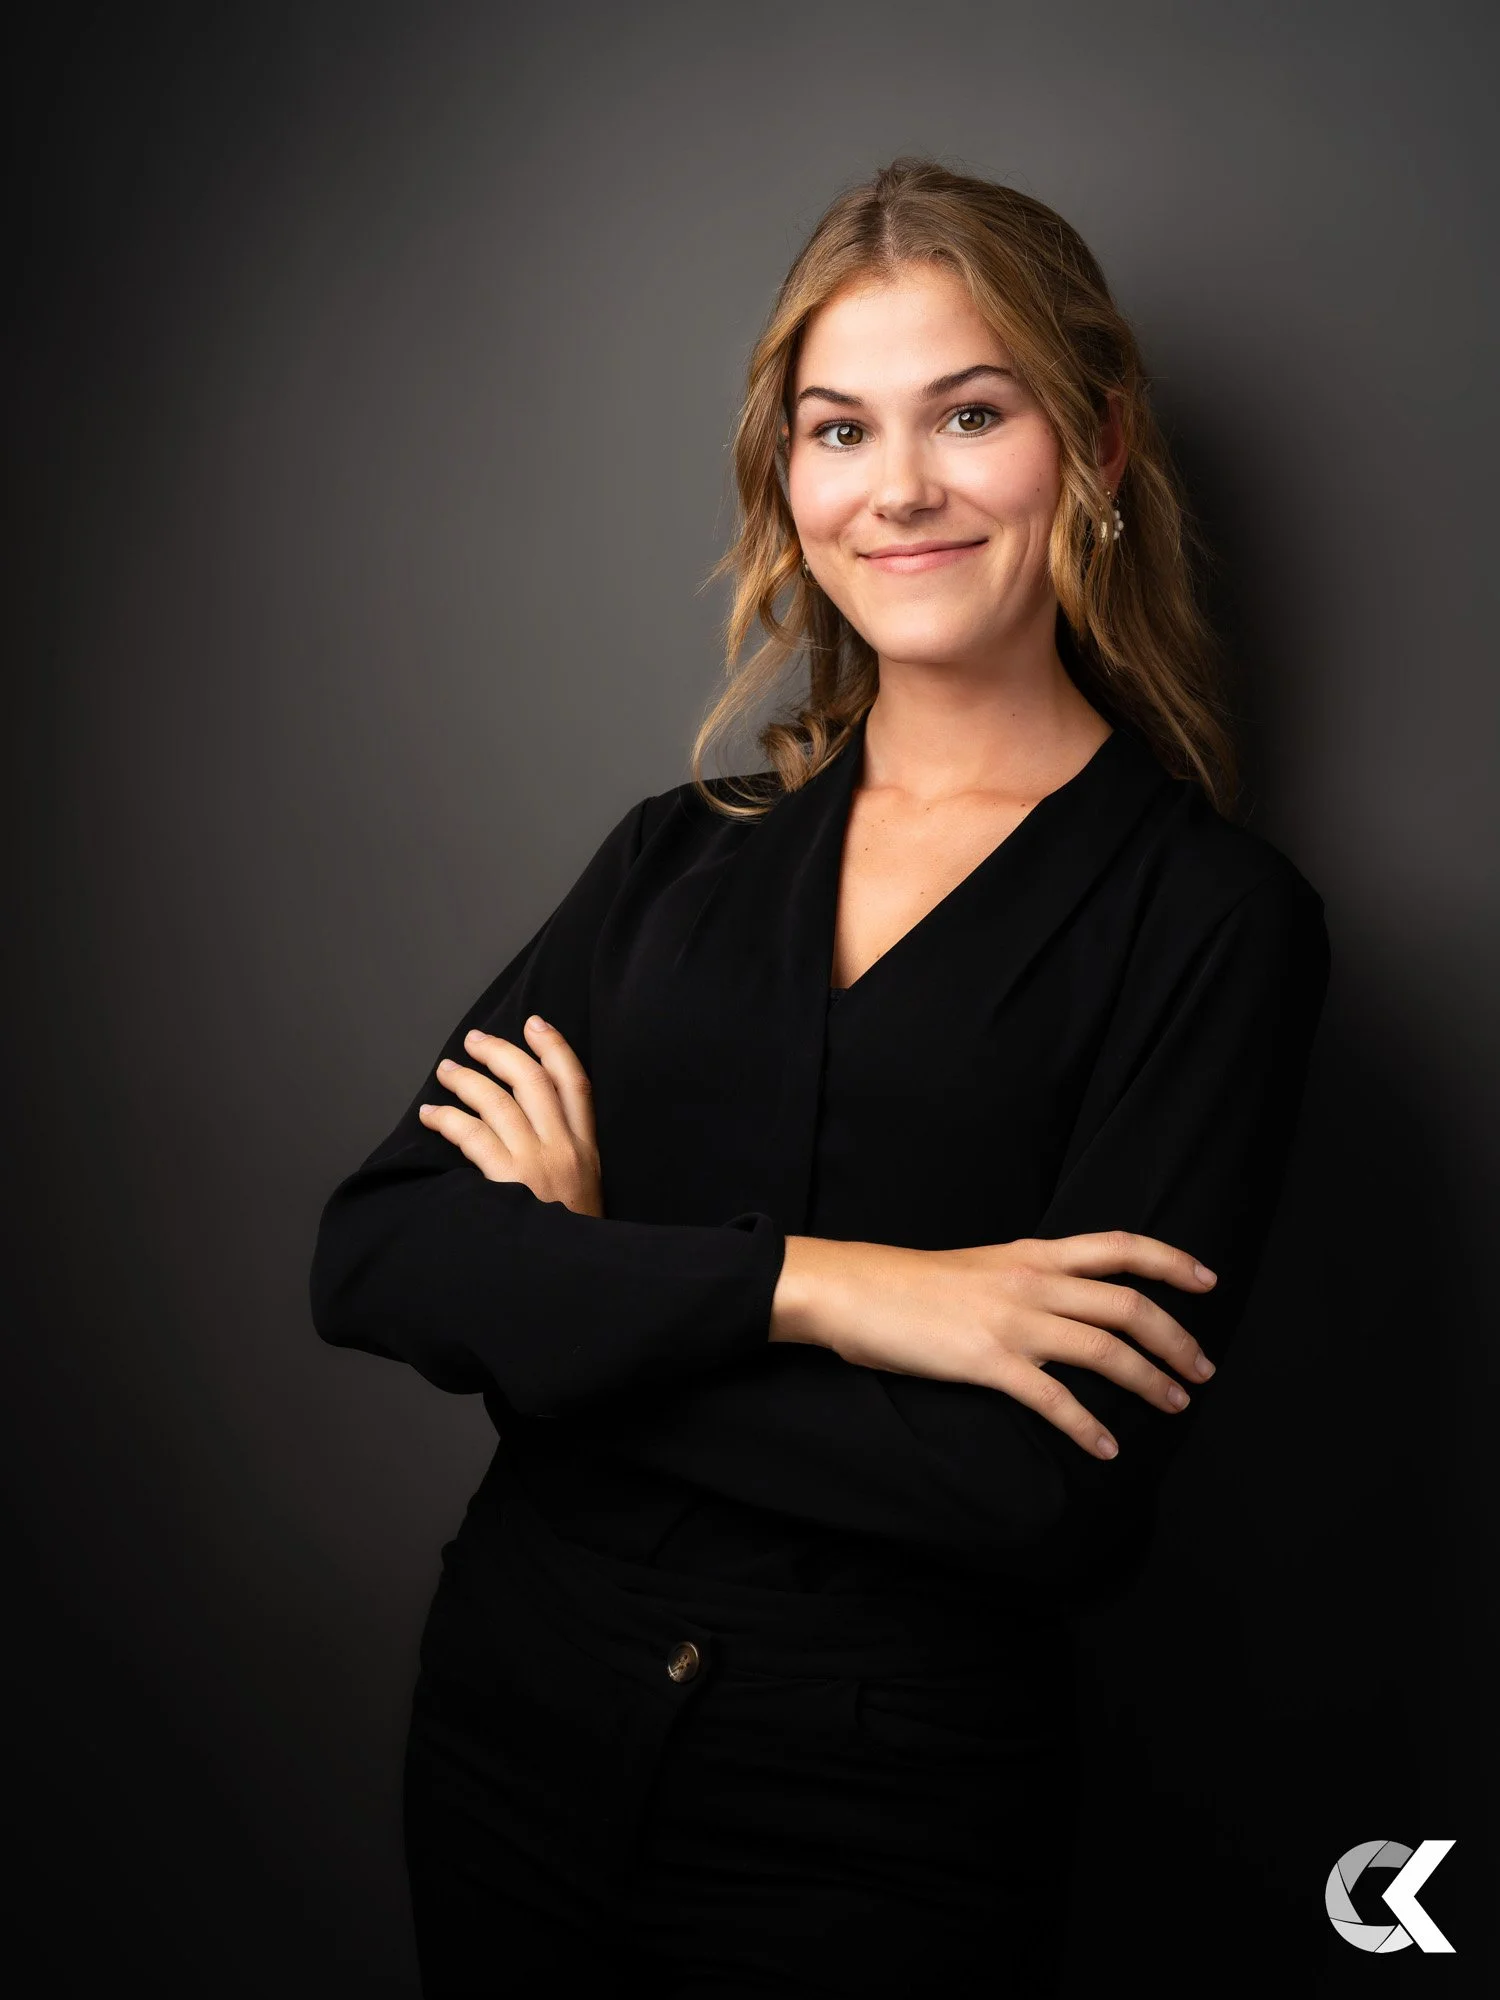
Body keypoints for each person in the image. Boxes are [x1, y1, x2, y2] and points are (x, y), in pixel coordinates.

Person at [309, 156, 1331, 1996]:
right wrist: (839, 1292)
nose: (903, 487)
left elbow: (1044, 1498)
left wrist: (583, 1292)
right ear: (792, 480)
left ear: (1094, 452)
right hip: (511, 1739)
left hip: (876, 1818)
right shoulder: (672, 858)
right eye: (841, 428)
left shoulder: (1212, 922)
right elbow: (379, 1254)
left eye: (971, 412)